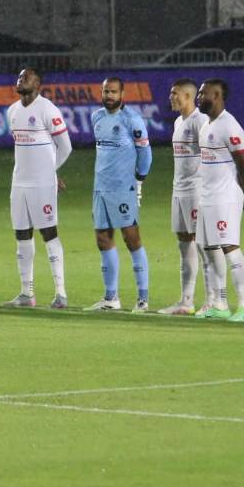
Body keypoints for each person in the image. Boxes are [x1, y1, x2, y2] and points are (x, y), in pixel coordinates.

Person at [4, 68, 72, 309]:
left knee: (49, 233)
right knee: (22, 235)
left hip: (42, 184)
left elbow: (65, 147)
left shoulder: (47, 109)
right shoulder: (12, 111)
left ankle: (61, 294)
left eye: (25, 77)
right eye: (19, 76)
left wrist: (49, 171)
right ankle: (26, 293)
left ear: (38, 85)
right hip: (19, 183)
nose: (20, 79)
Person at [85, 77, 153, 312]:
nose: (109, 96)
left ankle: (143, 299)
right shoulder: (96, 118)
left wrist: (139, 179)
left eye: (113, 92)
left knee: (131, 239)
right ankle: (111, 298)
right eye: (105, 91)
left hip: (123, 188)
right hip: (100, 188)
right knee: (103, 239)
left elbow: (145, 153)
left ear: (123, 94)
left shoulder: (132, 119)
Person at [191, 78, 244, 321]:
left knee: (230, 248)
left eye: (203, 94)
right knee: (208, 248)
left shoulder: (230, 126)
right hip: (207, 197)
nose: (199, 97)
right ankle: (221, 303)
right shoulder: (207, 125)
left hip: (225, 197)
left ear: (217, 95)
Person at [159, 78, 209, 315]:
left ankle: (212, 300)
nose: (171, 97)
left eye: (175, 93)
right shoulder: (179, 121)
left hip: (196, 191)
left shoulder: (200, 122)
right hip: (179, 190)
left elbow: (212, 157)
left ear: (188, 97)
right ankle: (186, 301)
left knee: (203, 245)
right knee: (184, 244)